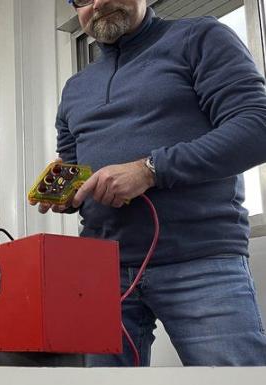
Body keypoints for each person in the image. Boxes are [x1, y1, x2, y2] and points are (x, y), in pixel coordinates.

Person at [34, 0, 266, 366]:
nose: (98, 4)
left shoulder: (199, 38)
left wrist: (150, 170)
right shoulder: (75, 89)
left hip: (201, 260)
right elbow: (75, 163)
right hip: (102, 275)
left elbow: (255, 127)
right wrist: (68, 194)